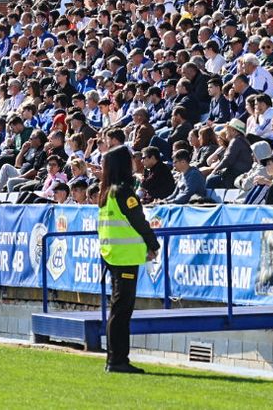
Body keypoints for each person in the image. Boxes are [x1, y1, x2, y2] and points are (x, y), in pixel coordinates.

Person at [95, 144, 159, 375]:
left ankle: (116, 358)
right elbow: (139, 221)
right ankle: (117, 360)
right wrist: (153, 244)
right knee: (122, 310)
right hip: (124, 258)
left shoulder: (106, 192)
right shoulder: (123, 192)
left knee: (118, 308)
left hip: (113, 255)